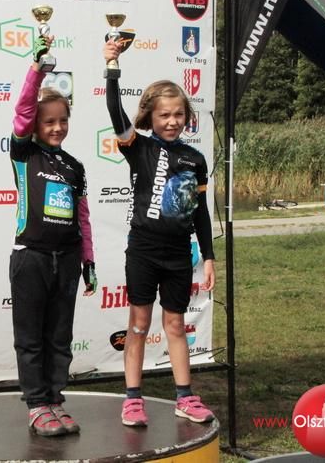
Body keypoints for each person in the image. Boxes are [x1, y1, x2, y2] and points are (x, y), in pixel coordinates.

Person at [102, 40, 216, 426]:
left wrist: (209, 256)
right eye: (164, 115)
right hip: (143, 250)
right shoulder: (138, 148)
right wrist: (112, 66)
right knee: (138, 324)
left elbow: (200, 212)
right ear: (150, 117)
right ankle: (132, 399)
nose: (172, 121)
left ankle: (185, 396)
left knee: (175, 325)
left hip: (179, 253)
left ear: (187, 117)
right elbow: (114, 110)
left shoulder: (195, 159)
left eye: (178, 114)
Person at [9, 35, 97, 437]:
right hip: (32, 257)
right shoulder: (24, 154)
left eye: (63, 120)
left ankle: (55, 399)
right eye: (49, 122)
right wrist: (37, 70)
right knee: (31, 338)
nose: (57, 127)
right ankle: (36, 403)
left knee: (60, 337)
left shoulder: (75, 166)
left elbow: (83, 216)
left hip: (68, 257)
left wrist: (89, 261)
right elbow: (23, 110)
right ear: (35, 125)